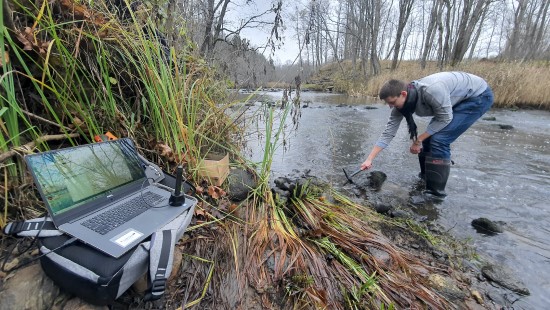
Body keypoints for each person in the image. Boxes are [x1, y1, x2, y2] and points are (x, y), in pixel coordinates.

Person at [361, 71, 494, 197]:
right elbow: (388, 133)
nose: (390, 106)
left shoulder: (431, 91)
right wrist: (369, 159)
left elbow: (445, 119)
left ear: (403, 94)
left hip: (478, 96)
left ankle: (435, 195)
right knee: (429, 139)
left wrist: (418, 141)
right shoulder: (400, 106)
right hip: (454, 97)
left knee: (439, 140)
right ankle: (426, 180)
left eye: (392, 102)